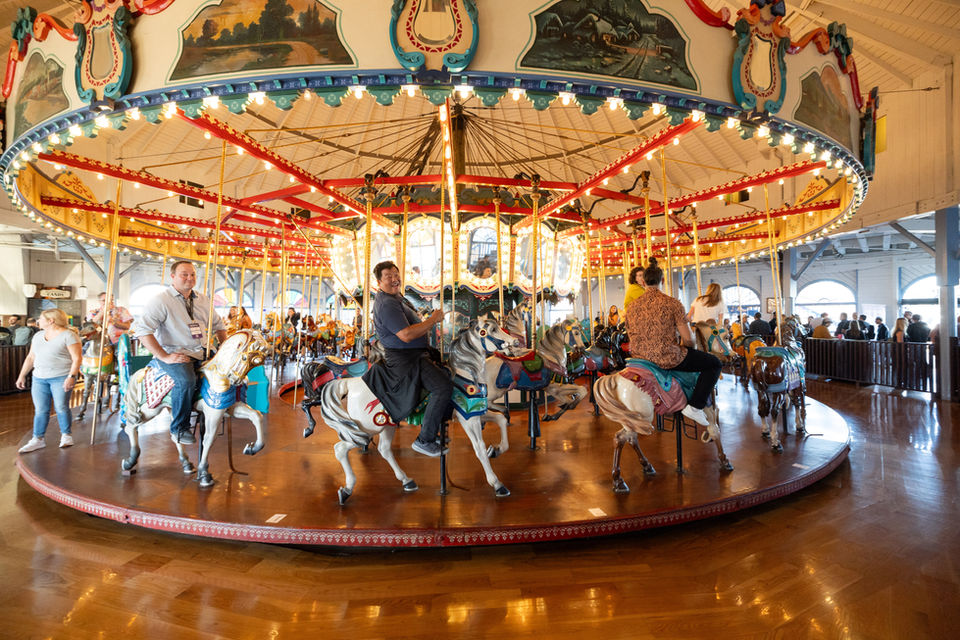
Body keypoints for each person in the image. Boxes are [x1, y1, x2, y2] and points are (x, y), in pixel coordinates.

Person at [362, 261, 452, 457]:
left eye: (396, 274)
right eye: (389, 276)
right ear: (379, 281)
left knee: (446, 373)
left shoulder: (396, 298)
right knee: (443, 386)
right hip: (407, 360)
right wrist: (432, 320)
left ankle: (433, 428)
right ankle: (424, 439)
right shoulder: (386, 304)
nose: (395, 279)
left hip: (416, 354)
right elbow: (405, 335)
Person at [135, 261, 227, 444]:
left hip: (202, 351)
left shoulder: (203, 299)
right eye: (184, 274)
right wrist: (164, 356)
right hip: (175, 353)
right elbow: (143, 331)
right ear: (173, 277)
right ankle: (179, 427)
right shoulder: (161, 301)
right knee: (186, 380)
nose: (190, 278)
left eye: (192, 274)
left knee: (227, 374)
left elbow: (219, 326)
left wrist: (224, 349)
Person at [625, 257, 720, 427]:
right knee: (714, 363)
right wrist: (689, 347)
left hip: (639, 359)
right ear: (662, 280)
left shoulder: (631, 307)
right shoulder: (672, 303)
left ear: (643, 282)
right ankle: (695, 406)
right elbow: (688, 339)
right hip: (666, 357)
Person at [16, 309, 82, 453]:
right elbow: (31, 357)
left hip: (61, 376)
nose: (38, 320)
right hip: (39, 378)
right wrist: (22, 375)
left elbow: (77, 358)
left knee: (61, 407)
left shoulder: (69, 335)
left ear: (51, 320)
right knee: (40, 410)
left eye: (40, 318)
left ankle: (66, 435)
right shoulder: (38, 336)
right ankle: (38, 439)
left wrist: (71, 376)